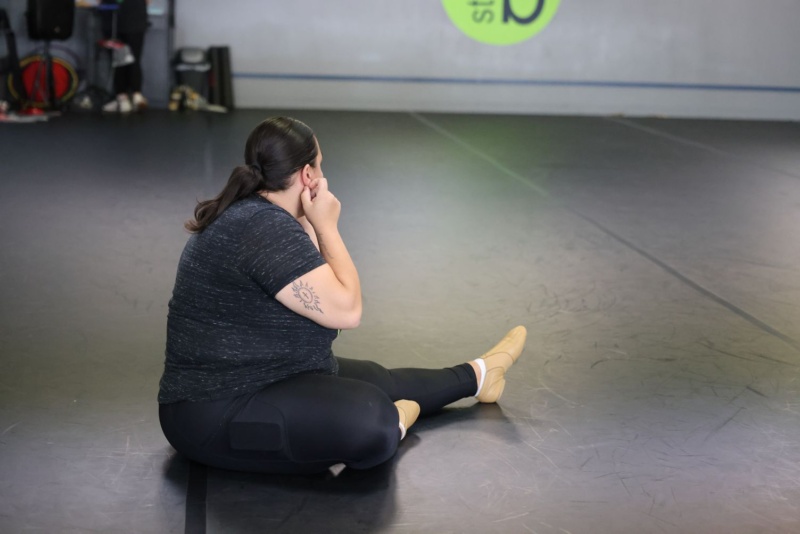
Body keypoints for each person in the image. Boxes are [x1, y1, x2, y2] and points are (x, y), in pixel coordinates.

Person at [157, 117, 527, 475]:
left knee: (377, 380)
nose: (323, 174)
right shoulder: (262, 228)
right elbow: (347, 310)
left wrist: (310, 219)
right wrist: (327, 226)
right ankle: (394, 422)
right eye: (320, 165)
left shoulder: (263, 215)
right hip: (213, 414)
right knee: (370, 417)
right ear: (307, 174)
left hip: (272, 374)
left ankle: (481, 374)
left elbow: (317, 284)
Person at [101, 0, 148, 113]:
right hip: (135, 18)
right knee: (133, 58)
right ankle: (136, 95)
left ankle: (122, 98)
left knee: (119, 60)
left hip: (114, 18)